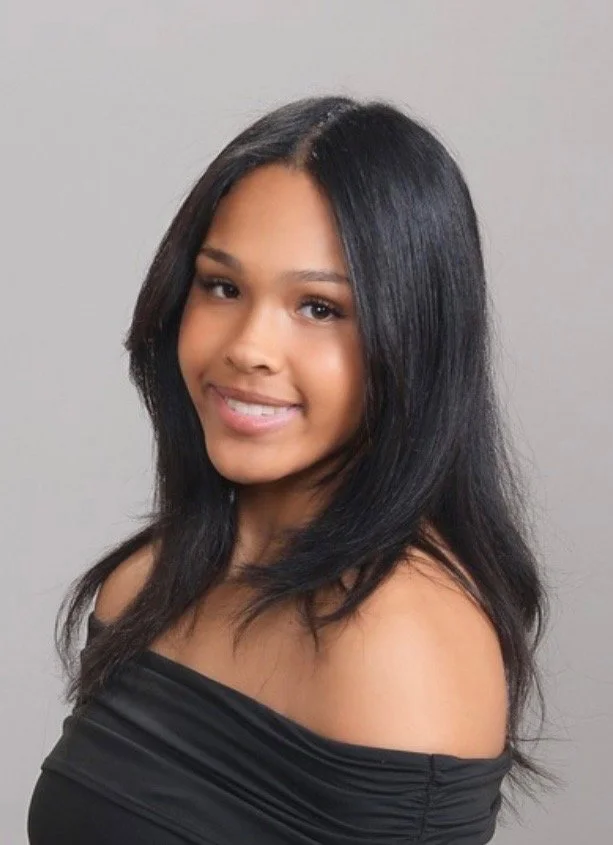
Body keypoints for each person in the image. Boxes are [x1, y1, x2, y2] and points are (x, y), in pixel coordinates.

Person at [27, 95, 558, 843]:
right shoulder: (151, 577)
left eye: (318, 308)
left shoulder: (393, 639)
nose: (248, 347)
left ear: (413, 337)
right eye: (223, 287)